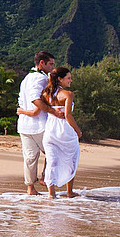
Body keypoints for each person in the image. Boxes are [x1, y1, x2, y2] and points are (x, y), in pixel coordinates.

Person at [18, 67, 82, 198]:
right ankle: (69, 192)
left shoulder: (46, 95)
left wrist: (22, 111)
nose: (71, 80)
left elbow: (36, 111)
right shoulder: (68, 94)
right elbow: (68, 116)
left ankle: (51, 194)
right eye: (68, 78)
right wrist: (78, 131)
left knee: (52, 161)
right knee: (71, 160)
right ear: (60, 79)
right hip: (65, 131)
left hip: (50, 130)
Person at [16, 51, 63, 195]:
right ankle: (44, 177)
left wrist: (25, 112)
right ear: (41, 63)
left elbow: (21, 101)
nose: (52, 68)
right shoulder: (39, 79)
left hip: (24, 125)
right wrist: (53, 112)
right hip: (39, 125)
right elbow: (35, 100)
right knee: (53, 151)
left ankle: (30, 188)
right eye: (50, 64)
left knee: (30, 158)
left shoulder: (26, 78)